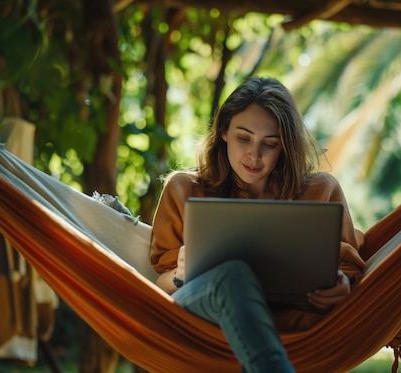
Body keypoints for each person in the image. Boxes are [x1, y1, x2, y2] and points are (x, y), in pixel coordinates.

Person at [150, 77, 365, 372]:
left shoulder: (319, 191)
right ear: (224, 131)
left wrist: (342, 284)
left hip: (293, 320)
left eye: (270, 144)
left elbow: (349, 268)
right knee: (233, 274)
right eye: (243, 138)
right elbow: (158, 284)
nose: (254, 155)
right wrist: (180, 274)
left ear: (285, 146)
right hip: (200, 318)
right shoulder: (184, 189)